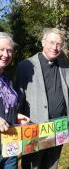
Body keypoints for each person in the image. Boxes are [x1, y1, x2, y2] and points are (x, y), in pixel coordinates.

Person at [15, 28, 69, 169]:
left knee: (52, 165)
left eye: (59, 44)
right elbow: (18, 98)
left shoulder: (66, 67)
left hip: (59, 128)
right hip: (34, 128)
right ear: (43, 42)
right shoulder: (26, 66)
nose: (55, 47)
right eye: (52, 42)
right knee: (32, 166)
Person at [0, 32, 30, 168]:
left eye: (9, 51)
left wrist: (15, 115)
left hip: (10, 142)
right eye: (1, 50)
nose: (6, 55)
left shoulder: (7, 78)